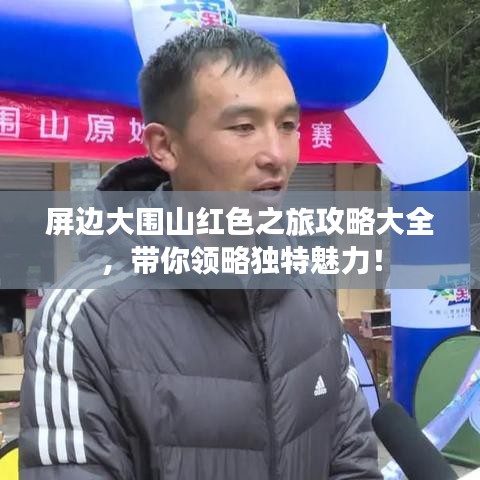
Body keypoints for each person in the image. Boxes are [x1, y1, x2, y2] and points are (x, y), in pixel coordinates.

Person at [19, 26, 382, 479]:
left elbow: (352, 457)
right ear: (165, 146)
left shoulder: (309, 285)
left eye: (288, 126)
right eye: (243, 127)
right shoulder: (87, 315)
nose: (277, 154)